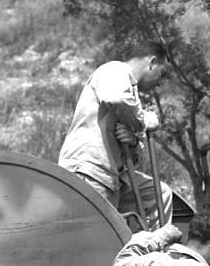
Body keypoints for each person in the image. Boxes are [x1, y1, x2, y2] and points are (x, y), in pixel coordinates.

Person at [59, 41, 173, 229]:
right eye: (162, 74)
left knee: (159, 194)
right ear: (152, 62)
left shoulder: (132, 96)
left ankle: (156, 244)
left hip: (113, 177)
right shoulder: (115, 70)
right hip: (90, 170)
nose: (160, 83)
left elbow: (135, 156)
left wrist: (133, 140)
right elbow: (115, 98)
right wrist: (143, 121)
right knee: (99, 236)